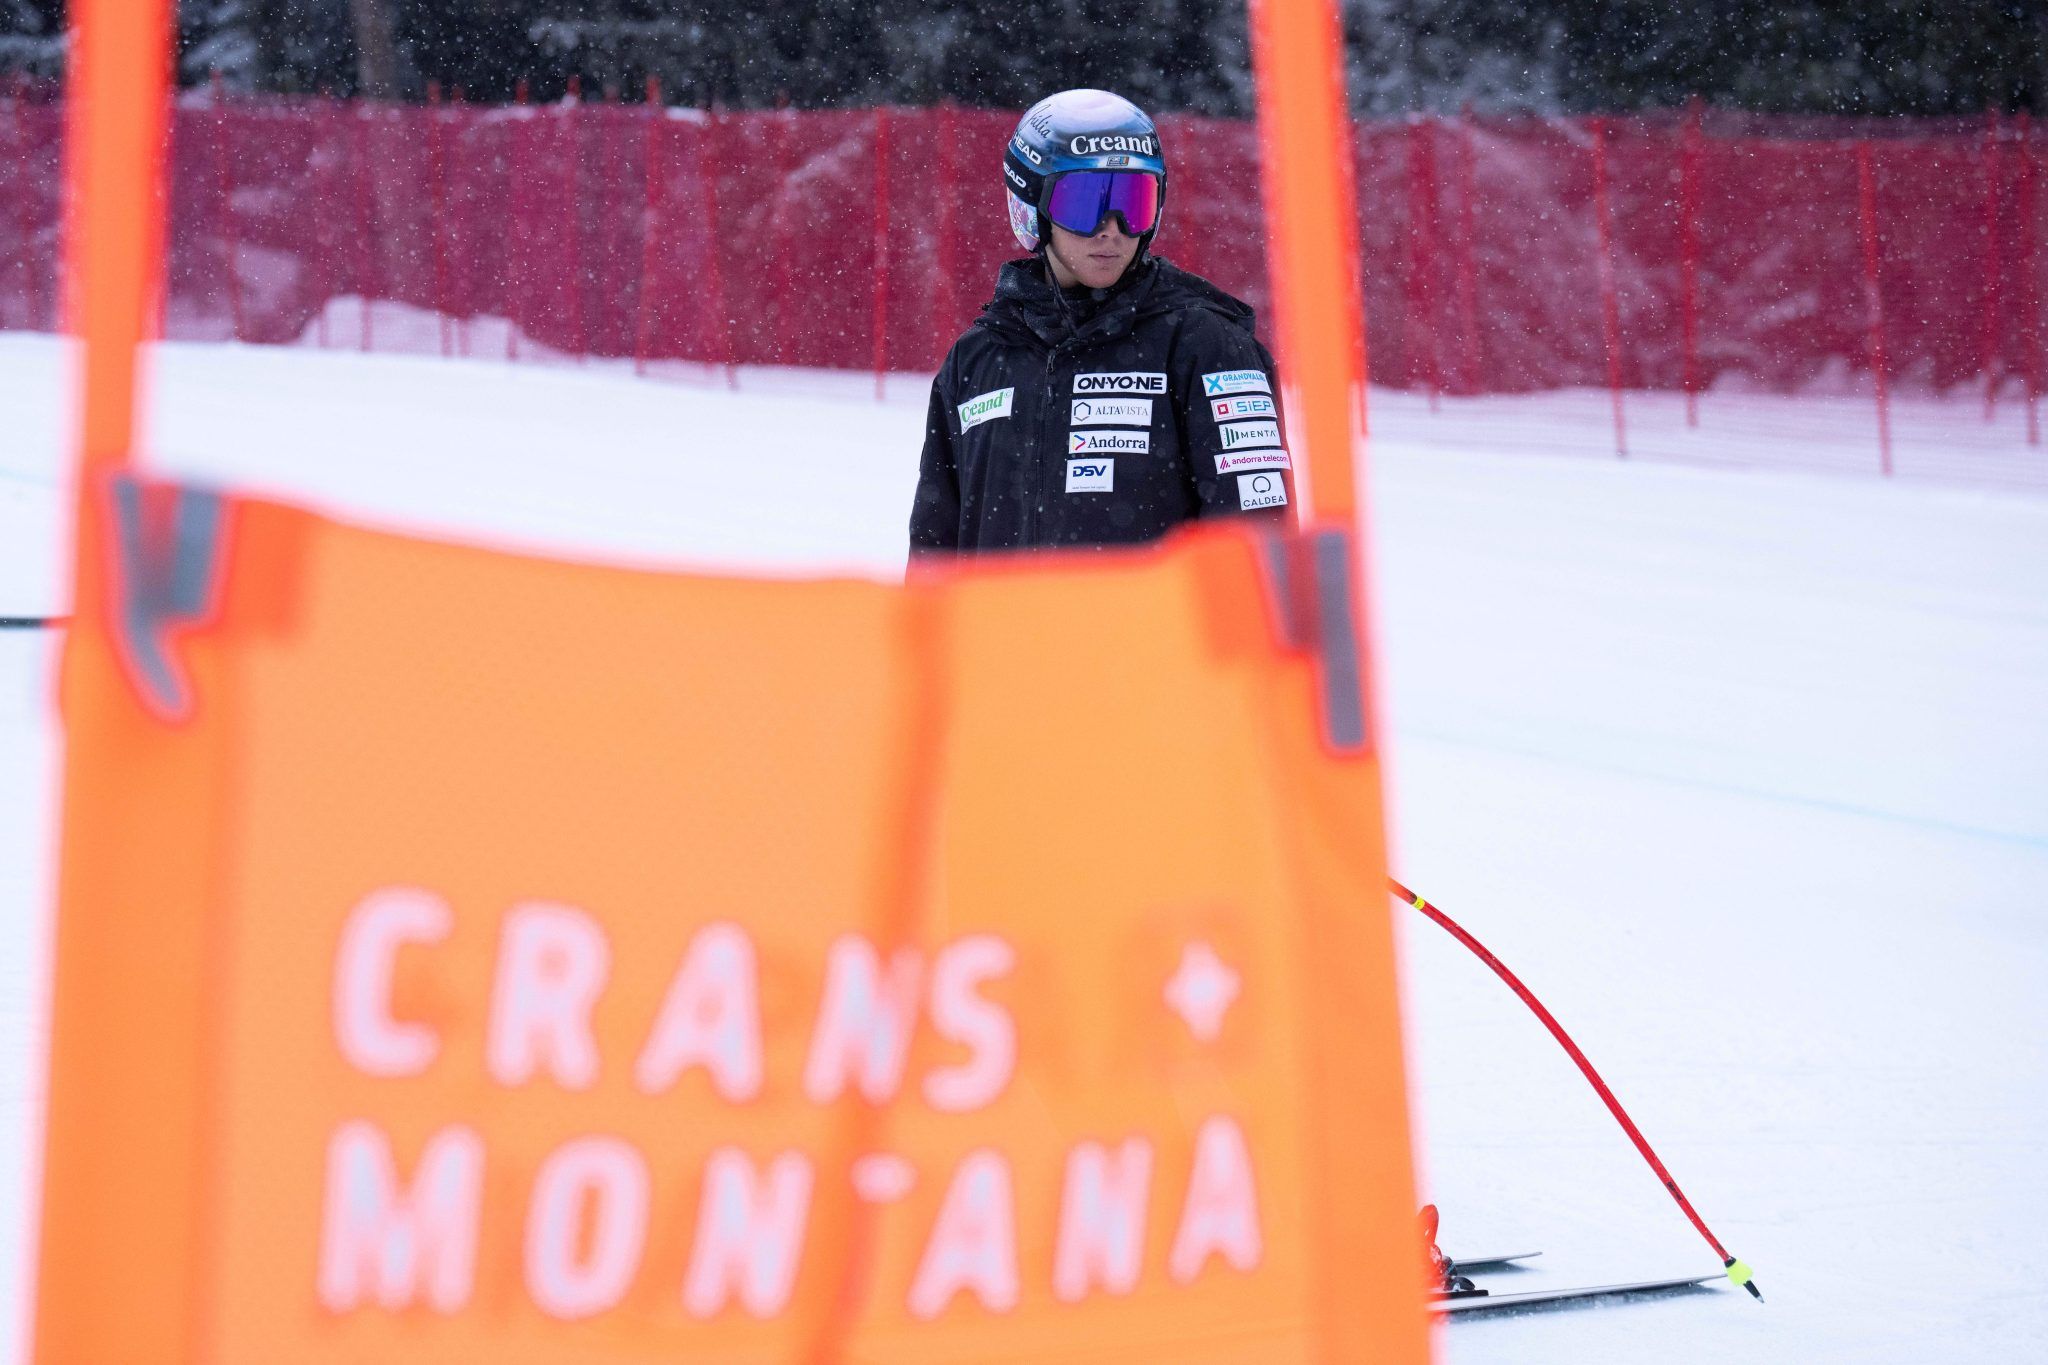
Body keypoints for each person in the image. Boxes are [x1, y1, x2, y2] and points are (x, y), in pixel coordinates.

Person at [907, 89, 1294, 557]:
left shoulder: (1206, 347)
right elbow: (935, 548)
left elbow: (1257, 542)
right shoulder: (977, 359)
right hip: (1003, 631)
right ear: (1032, 207)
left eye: (1134, 203)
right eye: (1086, 202)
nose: (1111, 229)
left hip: (1147, 631)